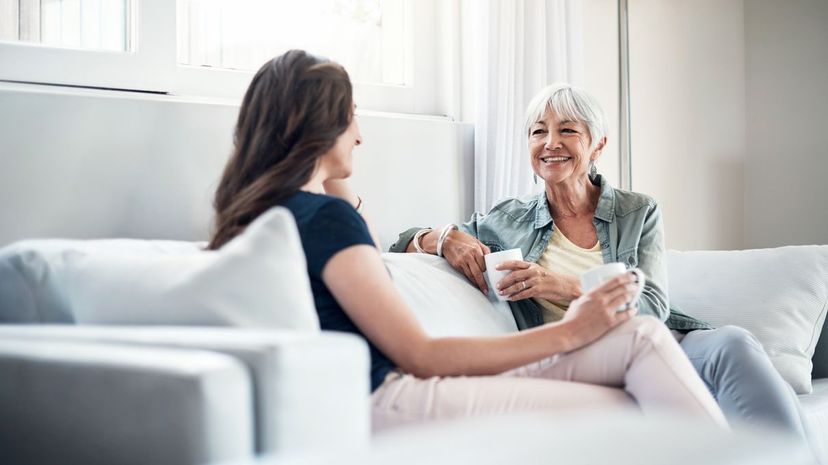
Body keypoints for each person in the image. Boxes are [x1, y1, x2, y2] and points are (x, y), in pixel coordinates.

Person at [208, 49, 727, 431]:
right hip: (390, 397)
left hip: (379, 392)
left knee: (645, 338)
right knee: (632, 405)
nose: (360, 134)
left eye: (567, 131)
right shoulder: (321, 220)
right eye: (351, 116)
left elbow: (353, 214)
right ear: (320, 128)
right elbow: (422, 356)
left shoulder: (262, 214)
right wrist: (573, 330)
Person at [390, 83, 806, 438]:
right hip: (574, 353)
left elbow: (653, 307)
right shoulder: (505, 221)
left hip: (658, 339)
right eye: (538, 132)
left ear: (597, 145)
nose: (550, 142)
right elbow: (401, 243)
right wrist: (444, 238)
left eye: (567, 130)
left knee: (732, 342)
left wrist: (560, 285)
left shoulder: (637, 210)